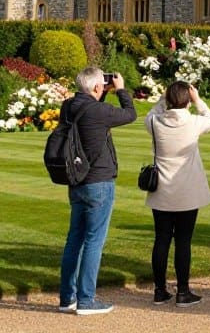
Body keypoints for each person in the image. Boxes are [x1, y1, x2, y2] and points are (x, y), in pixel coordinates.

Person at [58, 67, 137, 315]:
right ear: (95, 87)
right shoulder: (99, 111)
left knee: (75, 240)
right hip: (98, 181)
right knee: (94, 241)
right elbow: (130, 114)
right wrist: (121, 89)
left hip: (76, 179)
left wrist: (101, 91)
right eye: (101, 85)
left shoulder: (69, 107)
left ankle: (67, 297)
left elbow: (89, 108)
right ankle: (86, 300)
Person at [143, 80, 210, 307]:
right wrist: (197, 99)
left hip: (162, 188)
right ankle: (183, 291)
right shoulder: (194, 122)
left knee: (161, 239)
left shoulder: (154, 122)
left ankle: (160, 290)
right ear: (186, 100)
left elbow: (152, 111)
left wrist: (165, 98)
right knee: (183, 241)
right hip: (187, 189)